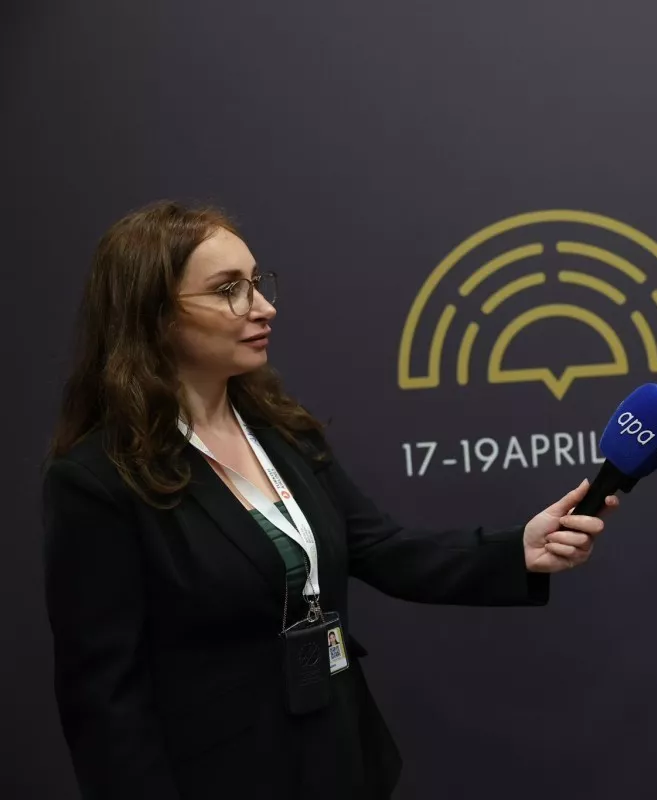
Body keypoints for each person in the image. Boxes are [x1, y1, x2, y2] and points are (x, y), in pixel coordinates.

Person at [41, 200, 618, 799]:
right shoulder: (98, 481)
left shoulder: (282, 430)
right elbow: (105, 700)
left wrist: (518, 550)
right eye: (229, 290)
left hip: (340, 759)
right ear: (155, 315)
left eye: (257, 282)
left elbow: (383, 548)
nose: (263, 307)